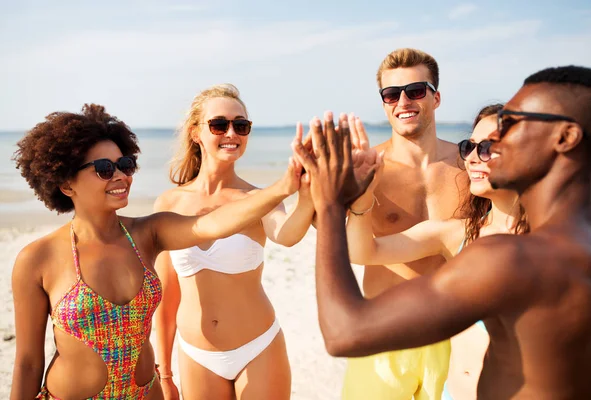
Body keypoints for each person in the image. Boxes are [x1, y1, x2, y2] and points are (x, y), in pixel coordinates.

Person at [293, 65, 591, 398]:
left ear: (565, 137)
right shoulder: (587, 240)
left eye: (510, 124)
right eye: (474, 144)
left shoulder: (511, 257)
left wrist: (329, 203)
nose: (494, 139)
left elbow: (343, 333)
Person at [10, 104, 303, 399]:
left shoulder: (148, 234)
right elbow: (27, 363)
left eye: (124, 165)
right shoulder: (37, 259)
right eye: (104, 169)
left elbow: (213, 223)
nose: (121, 176)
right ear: (65, 183)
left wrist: (283, 187)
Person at [345, 104, 528, 400]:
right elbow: (361, 250)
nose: (470, 158)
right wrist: (362, 195)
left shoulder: (554, 242)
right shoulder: (457, 233)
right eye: (469, 147)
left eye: (487, 147)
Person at [153, 84, 314, 400]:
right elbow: (166, 293)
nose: (232, 133)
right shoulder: (169, 203)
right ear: (196, 132)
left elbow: (287, 235)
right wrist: (164, 371)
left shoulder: (257, 198)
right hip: (195, 356)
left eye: (241, 126)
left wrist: (305, 193)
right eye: (219, 124)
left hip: (257, 348)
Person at [341, 48, 469, 400]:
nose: (403, 101)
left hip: (458, 333)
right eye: (391, 94)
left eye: (415, 91)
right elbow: (334, 241)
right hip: (386, 333)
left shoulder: (471, 165)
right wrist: (346, 191)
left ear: (435, 97)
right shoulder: (367, 168)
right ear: (384, 103)